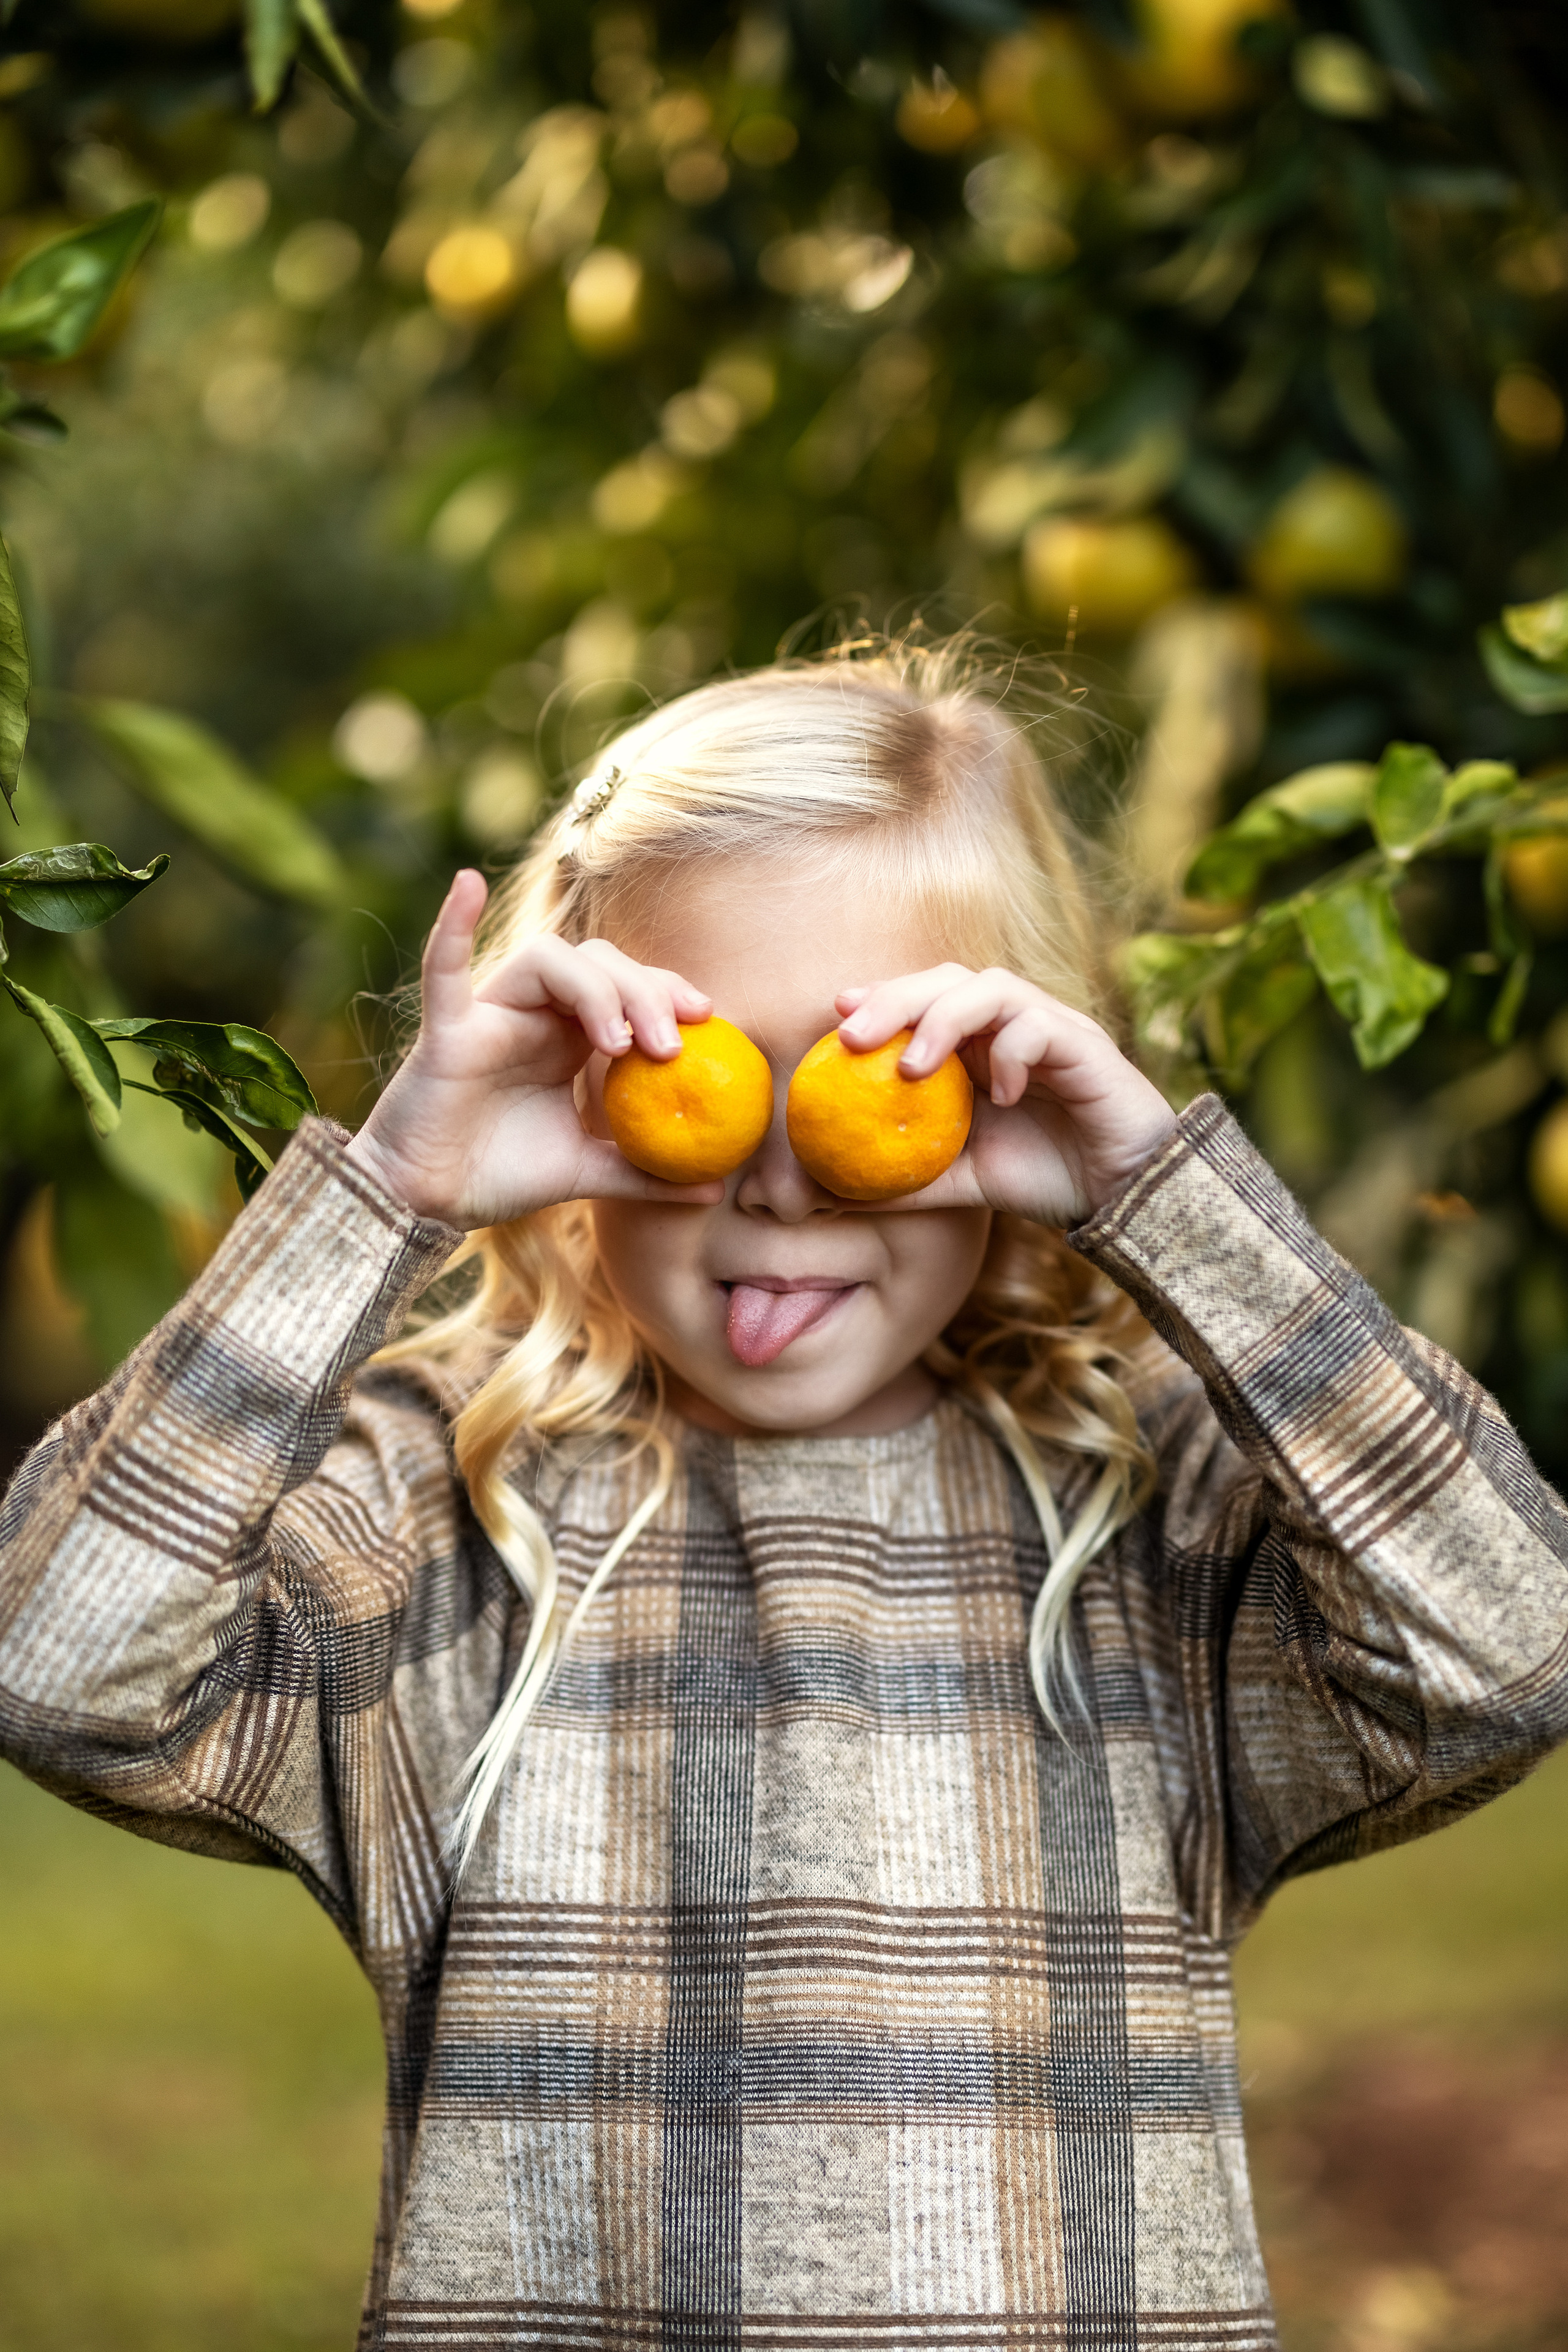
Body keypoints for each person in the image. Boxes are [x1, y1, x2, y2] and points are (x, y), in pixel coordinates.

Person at [2, 637, 1564, 2352]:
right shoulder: (442, 1505)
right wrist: (392, 1192)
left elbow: (1506, 1654)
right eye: (702, 1069)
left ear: (1011, 1068)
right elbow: (58, 1669)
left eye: (868, 1077)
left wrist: (1162, 1198)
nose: (775, 1182)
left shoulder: (1148, 1506)